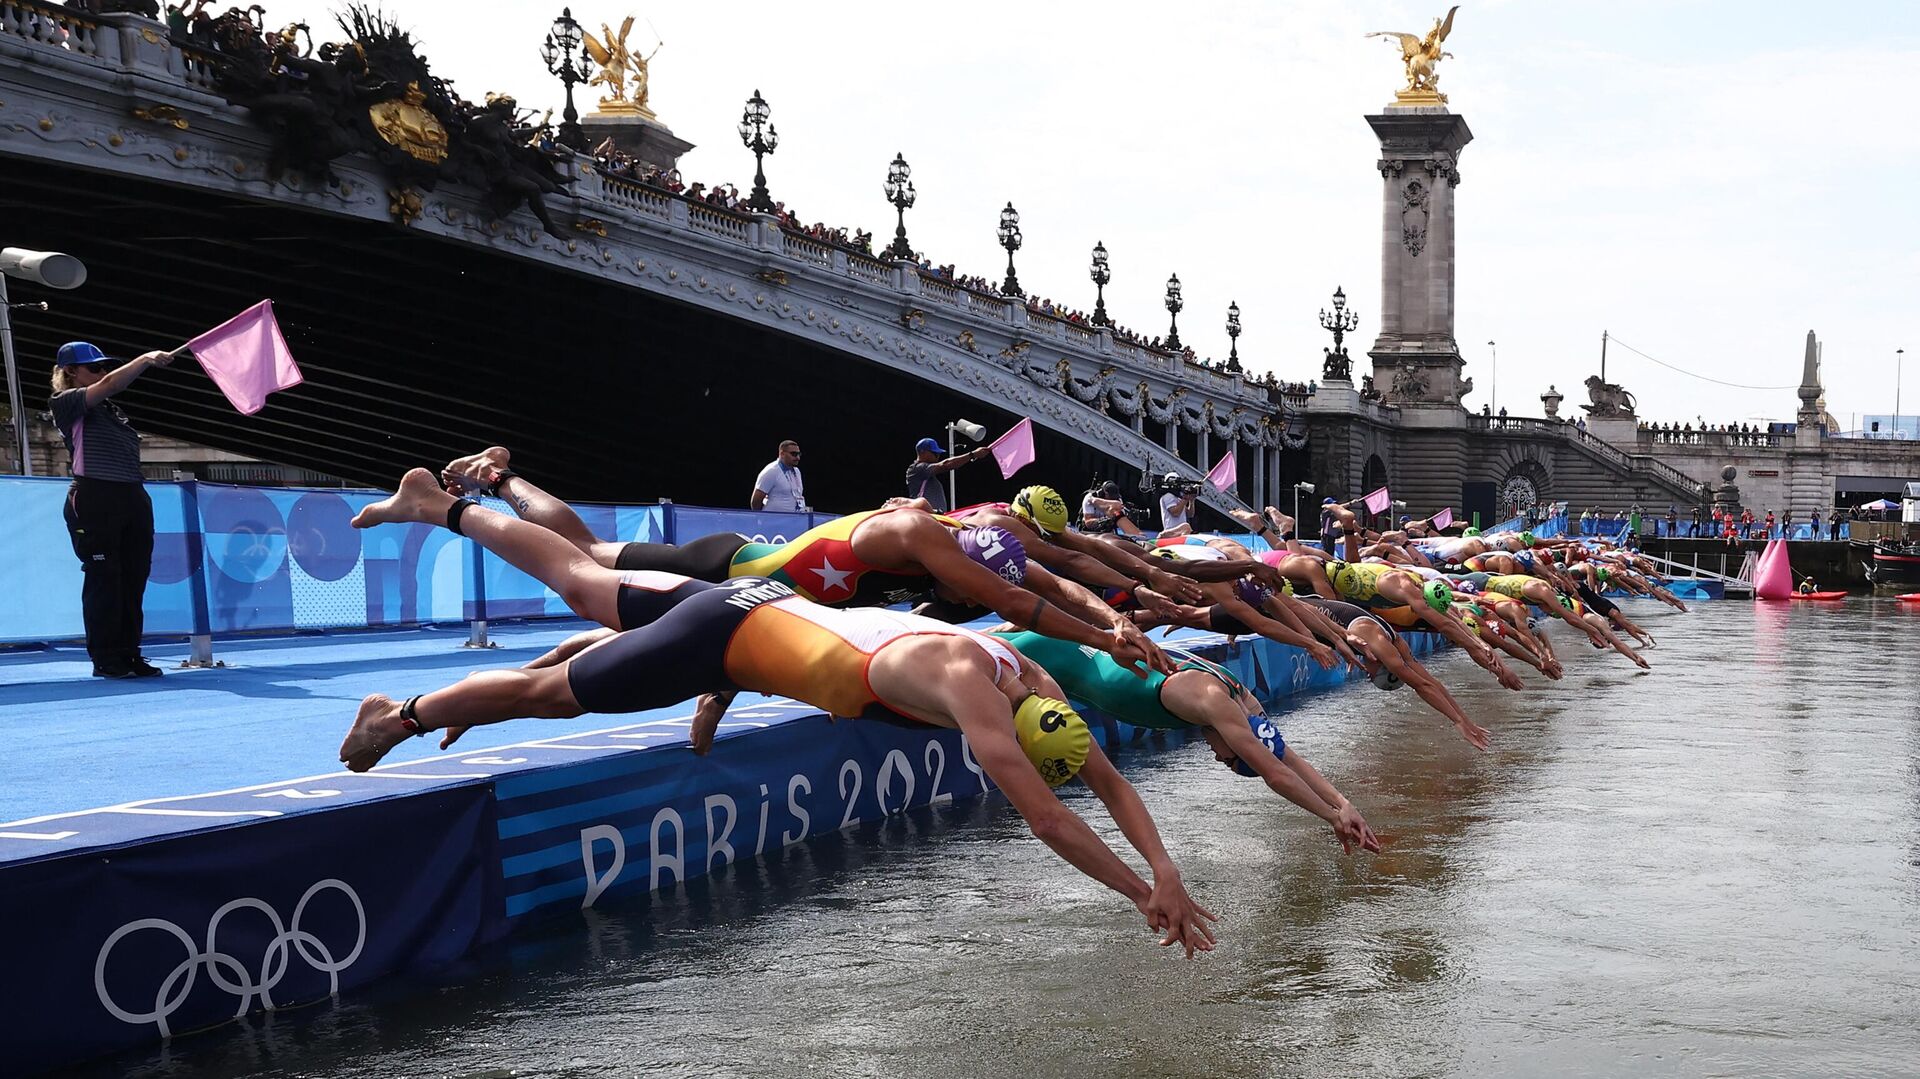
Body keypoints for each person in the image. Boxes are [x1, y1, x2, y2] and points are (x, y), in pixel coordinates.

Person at [339, 485, 1216, 953]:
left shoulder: (1023, 675)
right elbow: (1050, 814)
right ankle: (400, 714)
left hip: (753, 602)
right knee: (546, 692)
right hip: (725, 631)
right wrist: (1142, 892)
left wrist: (1166, 869)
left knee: (579, 582)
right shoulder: (973, 691)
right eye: (1008, 753)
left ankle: (443, 505)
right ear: (1009, 733)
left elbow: (1098, 776)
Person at [992, 631, 1379, 852]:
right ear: (1237, 742)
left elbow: (1285, 756)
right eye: (1229, 760)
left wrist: (1344, 803)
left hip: (1056, 655)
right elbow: (1275, 774)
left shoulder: (1243, 699)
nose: (1216, 758)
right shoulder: (1217, 703)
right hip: (1042, 655)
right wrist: (1331, 817)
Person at [49, 341, 174, 678]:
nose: (102, 372)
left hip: (131, 494)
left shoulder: (111, 413)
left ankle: (129, 653)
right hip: (94, 495)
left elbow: (107, 387)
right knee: (105, 577)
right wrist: (145, 357)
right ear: (71, 373)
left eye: (105, 366)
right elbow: (110, 385)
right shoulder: (66, 402)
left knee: (134, 579)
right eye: (95, 367)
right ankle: (105, 658)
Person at [903, 436, 990, 513]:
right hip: (926, 517)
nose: (938, 456)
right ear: (923, 452)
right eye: (935, 453)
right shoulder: (917, 468)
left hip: (934, 517)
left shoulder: (926, 473)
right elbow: (945, 465)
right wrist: (972, 455)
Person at [750, 440, 805, 511]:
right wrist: (762, 517)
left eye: (799, 454)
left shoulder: (796, 471)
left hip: (794, 519)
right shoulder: (771, 471)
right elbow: (756, 501)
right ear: (782, 454)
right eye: (794, 454)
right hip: (774, 520)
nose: (798, 458)